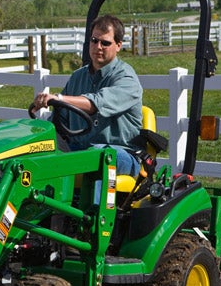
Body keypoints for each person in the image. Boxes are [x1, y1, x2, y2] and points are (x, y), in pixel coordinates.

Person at [30, 15, 143, 177]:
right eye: (94, 40)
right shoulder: (78, 77)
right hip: (80, 149)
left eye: (105, 43)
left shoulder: (126, 79)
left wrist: (58, 98)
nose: (98, 46)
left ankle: (98, 204)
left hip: (121, 153)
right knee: (36, 148)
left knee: (98, 155)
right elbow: (59, 119)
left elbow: (96, 103)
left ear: (118, 45)